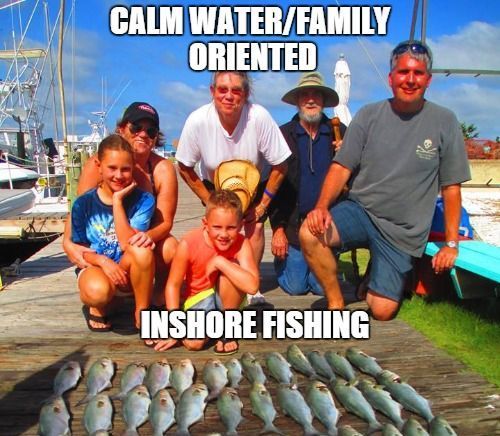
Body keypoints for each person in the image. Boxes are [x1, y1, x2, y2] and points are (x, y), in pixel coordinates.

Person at [299, 40, 471, 320]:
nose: (410, 79)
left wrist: (451, 244)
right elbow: (341, 166)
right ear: (391, 78)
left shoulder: (445, 121)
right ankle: (335, 303)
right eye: (403, 72)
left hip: (403, 232)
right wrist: (321, 206)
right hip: (361, 210)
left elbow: (451, 187)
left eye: (418, 73)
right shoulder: (368, 114)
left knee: (382, 310)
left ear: (428, 79)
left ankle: (378, 274)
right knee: (310, 232)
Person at [175, 71, 291, 305]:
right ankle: (211, 277)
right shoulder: (198, 120)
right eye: (222, 89)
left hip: (251, 182)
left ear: (246, 94)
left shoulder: (258, 116)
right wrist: (209, 200)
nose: (229, 96)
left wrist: (263, 204)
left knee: (255, 228)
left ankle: (252, 287)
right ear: (212, 92)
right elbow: (184, 166)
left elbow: (281, 164)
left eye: (236, 90)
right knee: (216, 230)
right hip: (214, 184)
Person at [63, 102, 178, 316]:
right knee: (98, 292)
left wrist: (145, 238)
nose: (143, 134)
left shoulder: (162, 169)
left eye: (150, 131)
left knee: (170, 247)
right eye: (136, 127)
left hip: (137, 239)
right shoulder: (97, 164)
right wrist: (67, 243)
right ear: (122, 128)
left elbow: (166, 222)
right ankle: (106, 299)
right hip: (102, 249)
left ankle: (155, 295)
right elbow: (79, 209)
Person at [269, 71, 346, 296]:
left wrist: (348, 156)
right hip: (293, 226)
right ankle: (288, 261)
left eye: (316, 95)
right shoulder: (282, 135)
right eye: (305, 95)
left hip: (326, 226)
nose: (311, 99)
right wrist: (278, 229)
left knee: (322, 289)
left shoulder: (339, 132)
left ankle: (323, 262)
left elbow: (355, 179)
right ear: (297, 101)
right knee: (296, 287)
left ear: (323, 100)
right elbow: (273, 185)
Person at [154, 190, 259, 354]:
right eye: (217, 227)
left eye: (231, 228)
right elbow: (172, 285)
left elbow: (252, 287)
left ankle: (227, 330)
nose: (223, 234)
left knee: (230, 270)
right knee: (193, 344)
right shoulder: (189, 242)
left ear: (240, 226)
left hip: (227, 299)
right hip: (199, 297)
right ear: (205, 223)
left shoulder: (242, 243)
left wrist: (220, 262)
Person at [70, 134, 155, 333]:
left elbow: (128, 244)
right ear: (99, 166)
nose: (119, 175)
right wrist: (102, 261)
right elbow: (80, 251)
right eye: (112, 168)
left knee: (141, 251)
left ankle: (142, 311)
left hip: (126, 268)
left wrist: (117, 202)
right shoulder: (83, 204)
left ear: (133, 167)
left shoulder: (144, 200)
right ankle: (101, 304)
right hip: (97, 267)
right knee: (98, 292)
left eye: (125, 169)